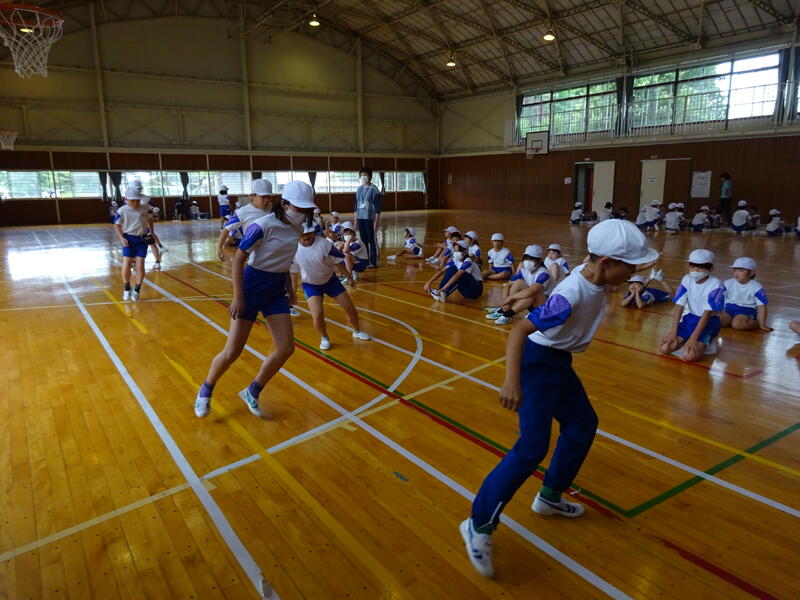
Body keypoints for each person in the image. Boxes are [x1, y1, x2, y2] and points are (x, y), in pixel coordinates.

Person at [460, 219, 659, 578]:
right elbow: (519, 331)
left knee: (582, 424)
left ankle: (550, 496)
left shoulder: (590, 274)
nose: (633, 274)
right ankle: (479, 523)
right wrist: (511, 381)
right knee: (532, 447)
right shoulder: (572, 295)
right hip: (537, 364)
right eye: (629, 267)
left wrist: (532, 297)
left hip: (558, 361)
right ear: (606, 263)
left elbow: (550, 298)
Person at [193, 181, 316, 419]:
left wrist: (290, 289)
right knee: (233, 351)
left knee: (286, 348)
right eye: (298, 207)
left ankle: (252, 391)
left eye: (305, 208)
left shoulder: (298, 229)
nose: (302, 212)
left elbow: (285, 261)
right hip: (251, 287)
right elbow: (239, 259)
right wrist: (238, 297)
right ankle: (206, 389)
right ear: (285, 203)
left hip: (276, 289)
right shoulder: (263, 225)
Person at [294, 225, 371, 350]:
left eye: (309, 233)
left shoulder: (324, 244)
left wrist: (349, 277)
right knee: (317, 315)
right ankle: (324, 337)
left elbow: (338, 262)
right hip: (311, 285)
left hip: (331, 281)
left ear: (313, 233)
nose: (306, 236)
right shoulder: (293, 249)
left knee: (349, 307)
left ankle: (357, 331)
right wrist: (292, 292)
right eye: (303, 234)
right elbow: (292, 273)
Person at [659, 249, 725, 361]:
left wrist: (693, 339)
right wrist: (673, 332)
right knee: (665, 348)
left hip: (709, 322)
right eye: (692, 266)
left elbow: (707, 313)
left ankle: (707, 341)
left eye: (700, 267)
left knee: (690, 356)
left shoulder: (716, 284)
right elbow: (679, 306)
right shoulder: (686, 279)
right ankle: (689, 341)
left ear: (710, 268)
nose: (695, 270)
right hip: (690, 318)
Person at [486, 245, 553, 325]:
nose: (528, 261)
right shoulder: (524, 271)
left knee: (533, 293)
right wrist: (505, 301)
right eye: (526, 258)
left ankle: (508, 314)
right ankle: (504, 310)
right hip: (532, 304)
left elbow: (531, 291)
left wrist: (510, 298)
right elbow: (508, 285)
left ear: (539, 261)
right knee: (519, 282)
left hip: (547, 307)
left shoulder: (544, 273)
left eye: (531, 259)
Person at [218, 179, 273, 261]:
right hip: (255, 260)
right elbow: (226, 229)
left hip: (273, 256)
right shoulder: (242, 212)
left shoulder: (273, 209)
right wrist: (219, 247)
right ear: (252, 196)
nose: (266, 200)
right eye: (263, 197)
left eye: (269, 197)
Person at [114, 186, 151, 301]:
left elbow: (150, 219)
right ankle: (126, 287)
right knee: (127, 263)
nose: (135, 203)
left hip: (142, 240)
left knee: (140, 265)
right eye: (132, 200)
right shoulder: (122, 211)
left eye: (137, 200)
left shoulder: (145, 208)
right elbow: (117, 225)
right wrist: (121, 238)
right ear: (126, 199)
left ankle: (137, 290)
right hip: (128, 240)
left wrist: (151, 232)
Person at [720, 257, 772, 332]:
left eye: (741, 271)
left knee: (738, 325)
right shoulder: (727, 283)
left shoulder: (757, 287)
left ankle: (755, 323)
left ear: (751, 273)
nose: (737, 273)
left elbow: (762, 306)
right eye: (735, 271)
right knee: (718, 321)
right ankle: (732, 320)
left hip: (746, 310)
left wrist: (762, 325)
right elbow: (718, 299)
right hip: (728, 309)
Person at [354, 166, 381, 267]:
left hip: (370, 218)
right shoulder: (359, 189)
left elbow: (378, 207)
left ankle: (373, 261)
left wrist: (376, 221)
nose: (363, 177)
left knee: (372, 240)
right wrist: (355, 219)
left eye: (365, 175)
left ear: (369, 176)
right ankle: (365, 260)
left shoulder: (374, 189)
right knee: (363, 240)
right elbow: (356, 205)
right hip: (360, 218)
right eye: (361, 175)